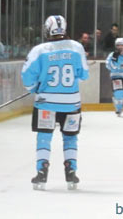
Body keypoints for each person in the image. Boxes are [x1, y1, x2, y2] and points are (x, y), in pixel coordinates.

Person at [22, 15, 88, 191]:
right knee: (70, 137)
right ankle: (71, 171)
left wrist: (32, 87)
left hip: (46, 102)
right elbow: (84, 74)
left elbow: (27, 76)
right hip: (71, 103)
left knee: (44, 136)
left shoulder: (39, 50)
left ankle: (42, 172)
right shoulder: (77, 47)